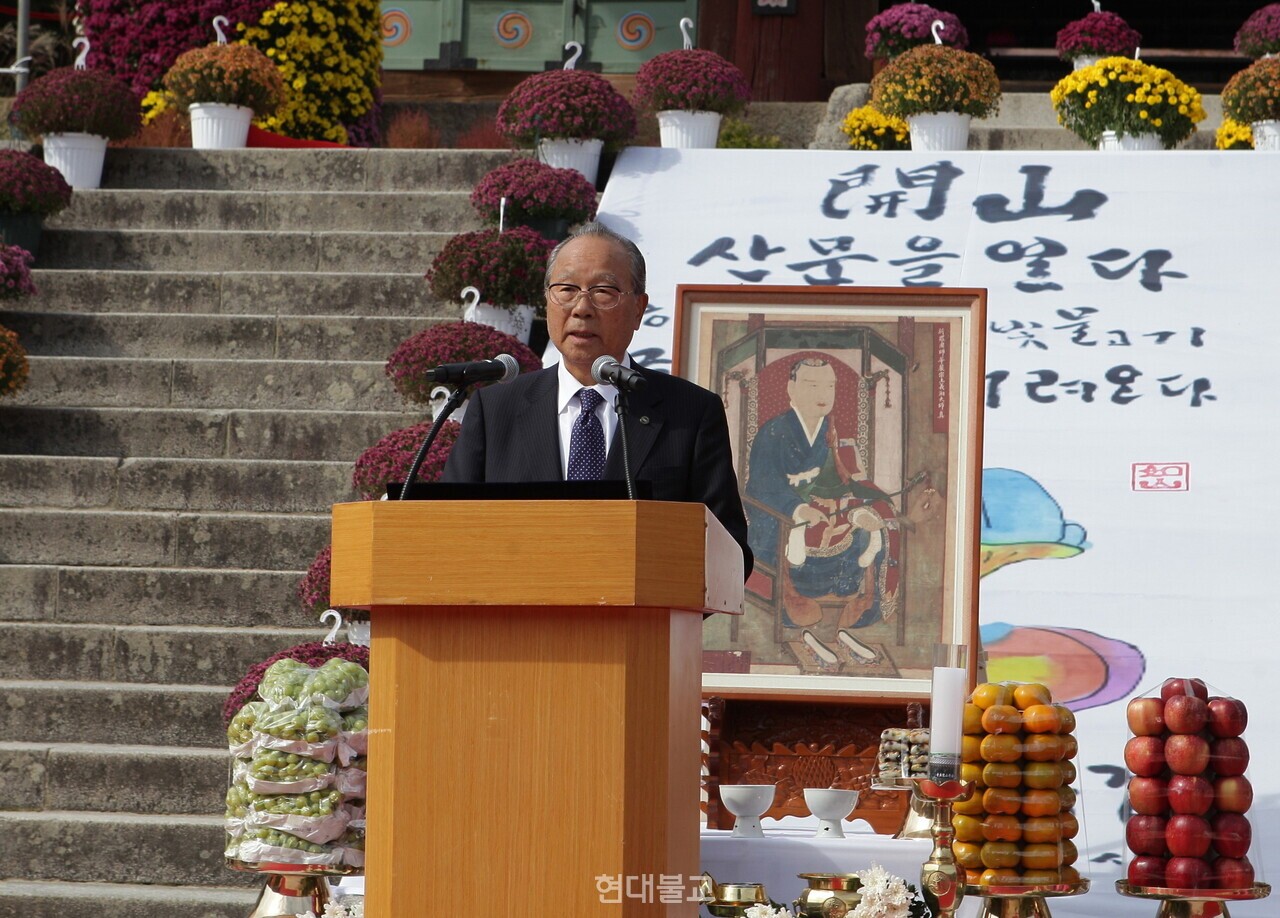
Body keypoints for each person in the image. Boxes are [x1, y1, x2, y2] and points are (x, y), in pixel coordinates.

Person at [442, 222, 753, 576]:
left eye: (603, 292)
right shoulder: (495, 410)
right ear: (547, 301)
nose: (582, 308)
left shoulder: (691, 413)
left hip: (642, 610)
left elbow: (729, 555)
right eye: (566, 289)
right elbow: (449, 532)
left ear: (639, 309)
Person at [745, 357, 901, 664]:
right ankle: (805, 622)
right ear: (791, 389)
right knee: (805, 537)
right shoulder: (773, 432)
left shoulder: (834, 434)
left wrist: (866, 510)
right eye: (812, 385)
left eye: (829, 386)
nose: (823, 393)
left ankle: (844, 623)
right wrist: (798, 509)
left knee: (867, 531)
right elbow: (762, 485)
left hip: (826, 514)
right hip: (780, 517)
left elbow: (851, 483)